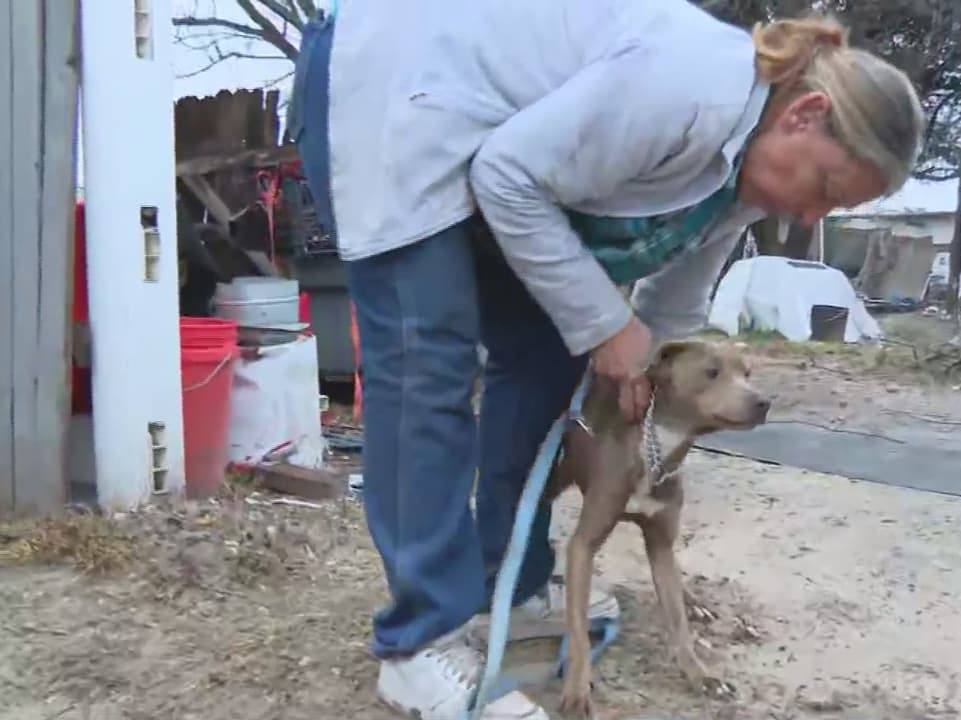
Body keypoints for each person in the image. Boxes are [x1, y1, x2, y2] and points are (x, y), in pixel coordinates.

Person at [289, 1, 924, 717]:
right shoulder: (686, 88)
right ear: (803, 115)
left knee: (542, 356)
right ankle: (419, 643)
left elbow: (675, 300)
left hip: (482, 134)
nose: (810, 217)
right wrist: (604, 324)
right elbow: (507, 176)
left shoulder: (745, 175)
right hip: (394, 91)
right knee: (425, 356)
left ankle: (511, 582)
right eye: (827, 188)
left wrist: (641, 368)